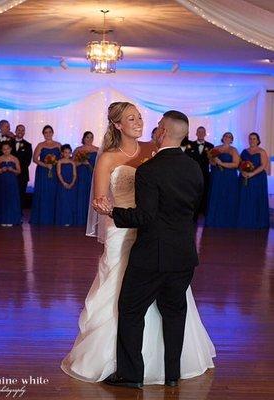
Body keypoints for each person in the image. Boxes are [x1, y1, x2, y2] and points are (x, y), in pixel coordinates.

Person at [61, 102, 215, 385]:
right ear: (117, 125)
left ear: (161, 131)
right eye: (131, 118)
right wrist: (105, 208)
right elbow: (100, 202)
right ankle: (152, 369)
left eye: (141, 117)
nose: (140, 122)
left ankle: (143, 372)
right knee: (134, 303)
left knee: (147, 306)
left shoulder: (153, 150)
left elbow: (165, 193)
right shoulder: (108, 158)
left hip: (152, 235)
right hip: (126, 235)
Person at [205, 132, 240, 228]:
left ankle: (227, 220)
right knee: (216, 195)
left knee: (228, 196)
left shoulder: (234, 150)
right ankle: (214, 219)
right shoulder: (216, 148)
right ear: (223, 137)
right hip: (217, 176)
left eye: (229, 137)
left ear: (232, 139)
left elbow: (236, 164)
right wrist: (214, 161)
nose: (227, 138)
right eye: (225, 136)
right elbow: (211, 162)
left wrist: (222, 163)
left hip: (229, 177)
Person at [30, 125, 61, 225]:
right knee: (43, 193)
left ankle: (53, 218)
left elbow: (61, 158)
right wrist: (45, 165)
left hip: (55, 172)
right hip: (43, 172)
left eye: (49, 132)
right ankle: (42, 218)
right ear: (43, 134)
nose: (48, 134)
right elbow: (34, 159)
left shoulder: (58, 145)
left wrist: (54, 164)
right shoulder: (40, 145)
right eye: (46, 132)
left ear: (53, 133)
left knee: (53, 192)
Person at [237, 132, 269, 229]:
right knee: (245, 198)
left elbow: (263, 165)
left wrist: (252, 174)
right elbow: (239, 164)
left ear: (258, 140)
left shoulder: (262, 151)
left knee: (256, 198)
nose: (252, 140)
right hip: (245, 177)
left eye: (254, 138)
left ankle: (257, 221)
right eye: (250, 138)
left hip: (258, 178)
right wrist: (242, 172)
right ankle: (245, 220)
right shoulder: (244, 151)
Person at [187, 127, 214, 216]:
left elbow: (212, 161)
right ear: (196, 133)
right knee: (192, 193)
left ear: (205, 133)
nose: (201, 133)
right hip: (192, 174)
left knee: (205, 192)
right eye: (199, 132)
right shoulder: (189, 145)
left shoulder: (211, 146)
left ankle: (203, 211)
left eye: (203, 132)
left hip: (205, 173)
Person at [73, 131, 99, 225]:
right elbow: (73, 164)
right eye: (87, 137)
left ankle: (92, 221)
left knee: (92, 196)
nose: (89, 139)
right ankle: (81, 219)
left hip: (92, 175)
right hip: (81, 175)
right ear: (84, 138)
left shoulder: (97, 150)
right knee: (81, 195)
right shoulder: (78, 150)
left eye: (91, 137)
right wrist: (82, 163)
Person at [0, 142, 21, 227]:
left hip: (12, 181)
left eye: (7, 149)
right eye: (4, 149)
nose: (6, 151)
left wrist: (12, 170)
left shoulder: (15, 159)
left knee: (11, 199)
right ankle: (2, 219)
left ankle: (11, 219)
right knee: (2, 198)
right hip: (2, 181)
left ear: (10, 149)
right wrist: (1, 170)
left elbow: (19, 171)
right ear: (2, 150)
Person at [12, 124, 33, 211]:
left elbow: (27, 161)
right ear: (15, 131)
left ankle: (19, 215)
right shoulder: (8, 143)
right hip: (9, 174)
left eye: (22, 130)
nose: (20, 132)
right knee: (10, 194)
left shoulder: (28, 145)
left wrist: (17, 170)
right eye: (19, 130)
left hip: (22, 175)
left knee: (20, 195)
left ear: (24, 132)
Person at [55, 144, 77, 226]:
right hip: (62, 184)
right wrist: (63, 183)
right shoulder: (59, 162)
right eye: (65, 152)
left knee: (70, 201)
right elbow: (59, 173)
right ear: (62, 153)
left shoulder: (72, 162)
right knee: (63, 201)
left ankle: (69, 220)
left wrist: (72, 183)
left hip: (71, 184)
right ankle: (63, 220)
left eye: (69, 152)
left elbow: (75, 174)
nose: (67, 154)